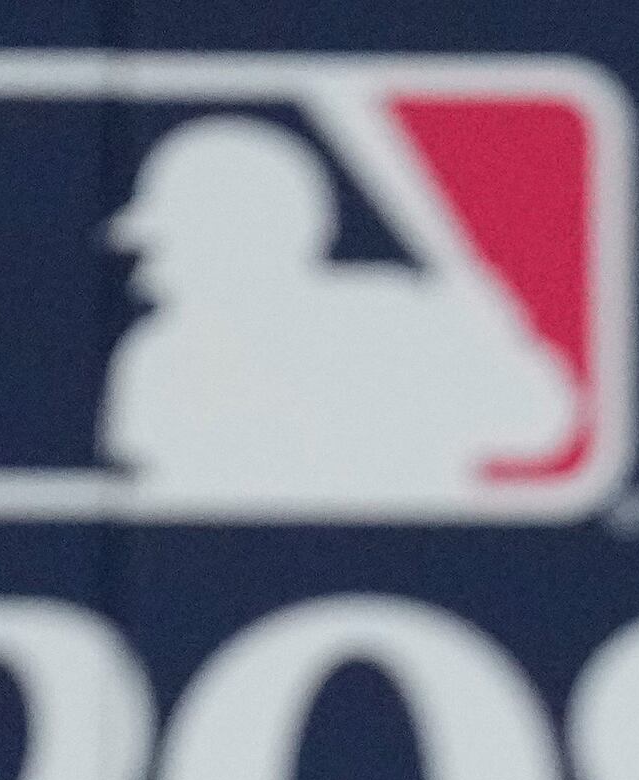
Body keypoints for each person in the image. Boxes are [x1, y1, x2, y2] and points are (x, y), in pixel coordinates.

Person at [102, 114, 576, 513]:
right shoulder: (163, 353)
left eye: (168, 242)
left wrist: (485, 331)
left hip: (414, 573)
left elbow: (539, 422)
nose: (147, 262)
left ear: (237, 239)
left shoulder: (400, 323)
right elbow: (157, 497)